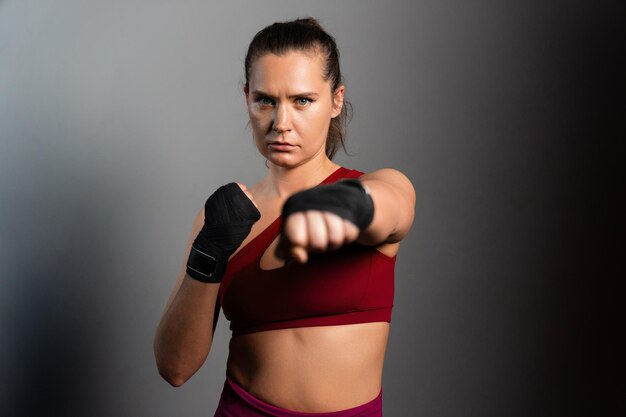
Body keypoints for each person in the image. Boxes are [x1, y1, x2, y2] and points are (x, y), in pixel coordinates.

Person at [154, 18, 415, 417]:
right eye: (265, 100)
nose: (281, 123)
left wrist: (348, 208)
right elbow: (174, 367)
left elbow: (391, 206)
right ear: (247, 99)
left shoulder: (380, 185)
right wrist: (206, 258)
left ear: (336, 100)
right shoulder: (223, 215)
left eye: (302, 100)